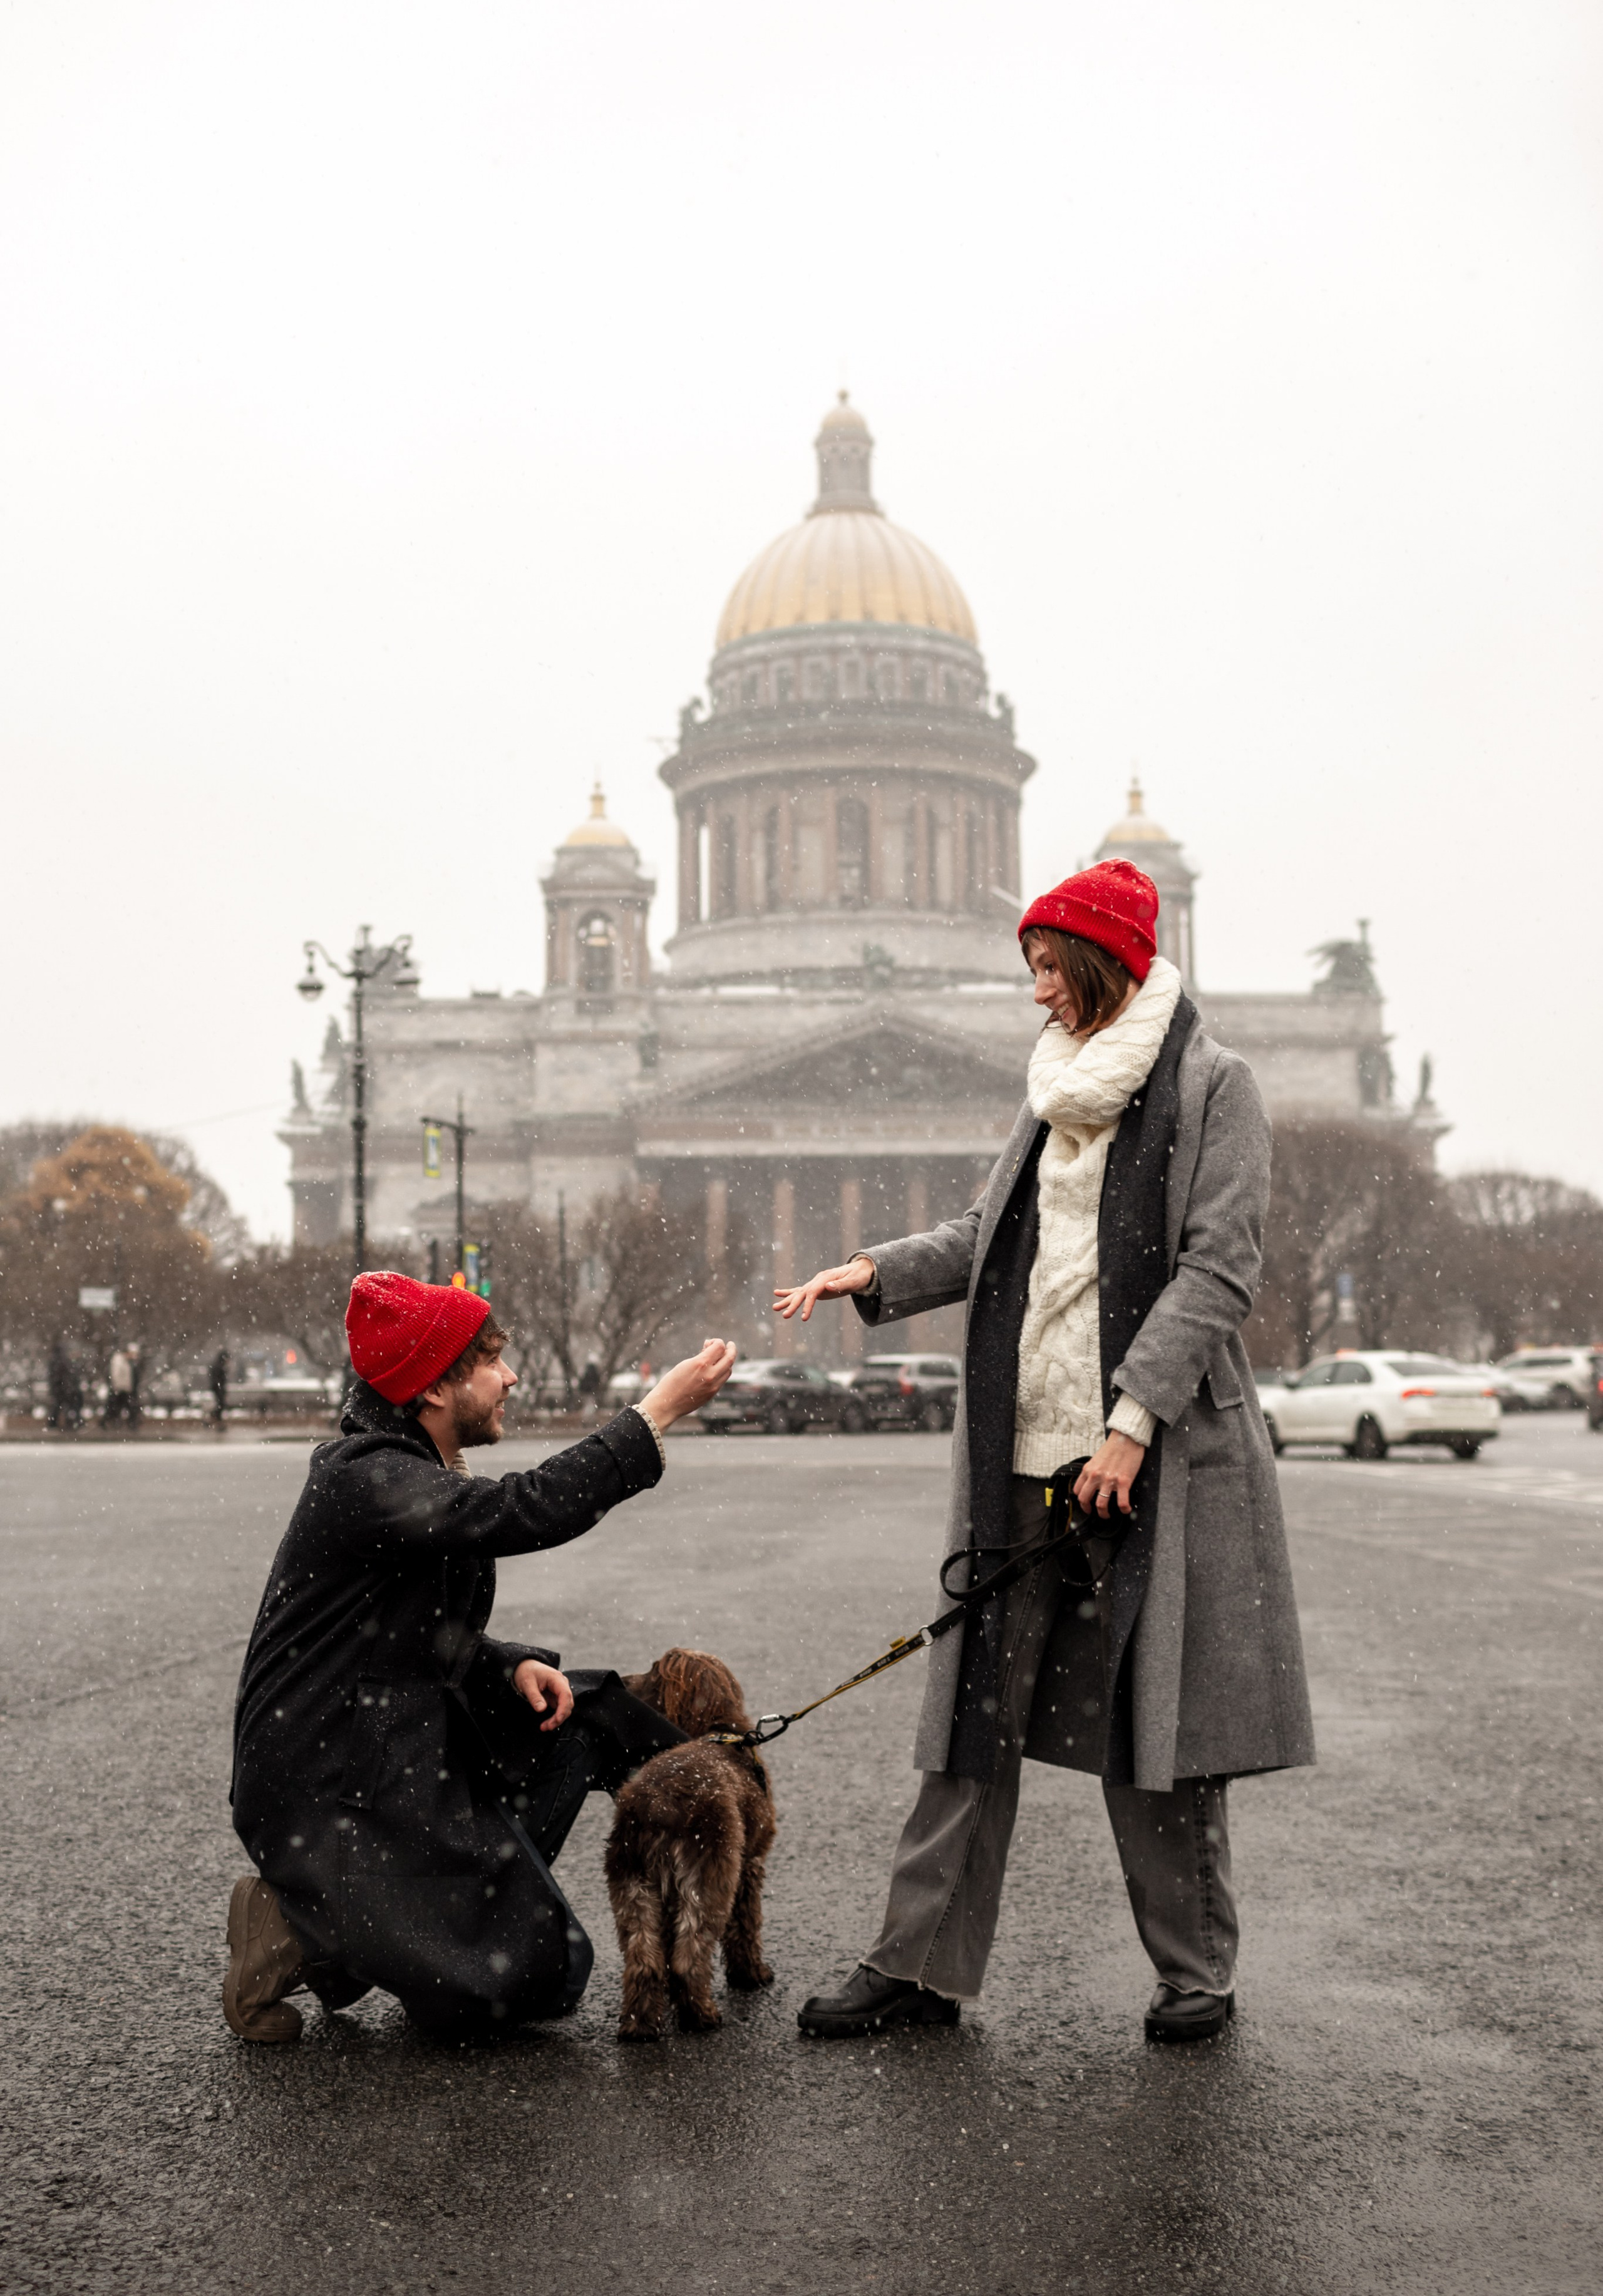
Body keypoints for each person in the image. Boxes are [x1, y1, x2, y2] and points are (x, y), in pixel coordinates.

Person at [777, 858, 1314, 2045]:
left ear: (1103, 963)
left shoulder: (1215, 1086)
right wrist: (871, 1271)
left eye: (1048, 968)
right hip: (1020, 1448)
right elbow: (991, 1233)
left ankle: (1195, 1972)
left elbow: (1218, 1269)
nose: (1035, 992)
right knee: (972, 1713)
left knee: (1154, 1719)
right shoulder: (1054, 1085)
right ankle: (916, 1965)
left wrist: (1130, 1422)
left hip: (1147, 1452)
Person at [224, 1270, 737, 2042]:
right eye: (491, 1361)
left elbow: (402, 1632)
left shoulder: (406, 1470)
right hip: (332, 1790)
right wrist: (653, 1415)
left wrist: (504, 1665)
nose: (511, 1376)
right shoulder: (365, 1476)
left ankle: (457, 1912)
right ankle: (306, 1929)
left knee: (593, 1715)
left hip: (388, 1747)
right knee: (532, 1979)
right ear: (433, 1388)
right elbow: (521, 1510)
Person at [103, 1346, 134, 1428]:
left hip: (122, 1388)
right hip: (120, 1388)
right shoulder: (120, 1361)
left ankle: (110, 1421)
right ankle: (130, 1422)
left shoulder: (124, 1361)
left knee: (116, 1406)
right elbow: (116, 1374)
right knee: (117, 1406)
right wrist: (117, 1386)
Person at [209, 1347, 229, 1431]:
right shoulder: (219, 1367)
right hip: (219, 1389)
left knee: (220, 1405)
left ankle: (213, 1420)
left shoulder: (218, 1366)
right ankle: (216, 1422)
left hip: (218, 1388)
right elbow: (218, 1379)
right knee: (220, 1405)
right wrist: (220, 1388)